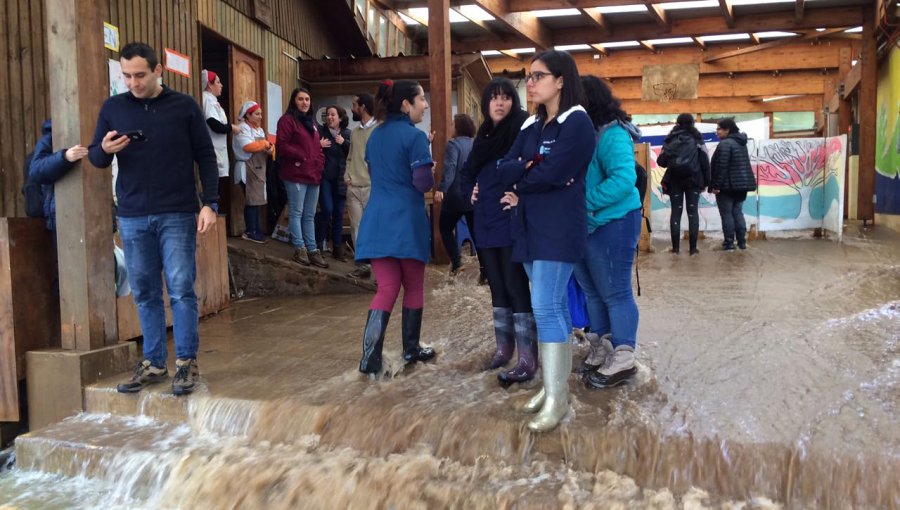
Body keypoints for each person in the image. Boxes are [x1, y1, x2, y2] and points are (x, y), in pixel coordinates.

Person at [88, 42, 219, 396]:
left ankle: (187, 364)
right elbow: (95, 158)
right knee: (144, 291)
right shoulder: (114, 108)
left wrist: (210, 203)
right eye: (127, 76)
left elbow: (206, 157)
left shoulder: (184, 107)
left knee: (180, 288)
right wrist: (104, 150)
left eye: (140, 75)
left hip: (177, 211)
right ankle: (154, 362)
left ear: (158, 70)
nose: (133, 82)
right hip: (131, 215)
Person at [497, 50, 595, 432]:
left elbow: (557, 173)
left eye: (538, 76)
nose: (531, 83)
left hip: (558, 227)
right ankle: (552, 388)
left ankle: (557, 399)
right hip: (527, 226)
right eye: (529, 76)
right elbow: (504, 168)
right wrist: (527, 172)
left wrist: (524, 175)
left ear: (561, 81)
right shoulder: (530, 126)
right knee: (550, 307)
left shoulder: (577, 123)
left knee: (546, 307)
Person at [356, 80, 435, 375]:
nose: (424, 105)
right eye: (421, 100)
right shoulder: (415, 138)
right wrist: (431, 169)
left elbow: (375, 173)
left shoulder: (375, 136)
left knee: (386, 287)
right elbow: (421, 183)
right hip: (406, 221)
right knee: (413, 285)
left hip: (376, 219)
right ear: (406, 104)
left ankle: (369, 358)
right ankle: (411, 350)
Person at [459, 77, 534, 385]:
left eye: (505, 98)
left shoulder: (524, 128)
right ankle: (504, 349)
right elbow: (466, 173)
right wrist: (470, 194)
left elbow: (538, 168)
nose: (500, 103)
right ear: (487, 104)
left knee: (516, 285)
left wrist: (521, 195)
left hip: (512, 220)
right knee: (495, 286)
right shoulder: (483, 136)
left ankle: (528, 357)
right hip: (485, 220)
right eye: (494, 98)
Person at [575, 75, 644, 389]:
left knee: (615, 291)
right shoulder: (581, 133)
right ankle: (603, 347)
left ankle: (624, 356)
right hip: (585, 223)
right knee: (593, 290)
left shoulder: (612, 134)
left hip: (613, 221)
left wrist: (585, 204)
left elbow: (623, 180)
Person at [277, 88, 327, 268]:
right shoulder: (287, 120)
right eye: (300, 99)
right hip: (296, 173)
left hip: (313, 175)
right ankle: (300, 248)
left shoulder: (312, 122)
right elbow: (282, 145)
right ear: (294, 101)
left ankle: (312, 250)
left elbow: (317, 148)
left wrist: (318, 163)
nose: (305, 102)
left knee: (310, 214)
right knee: (296, 213)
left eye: (307, 99)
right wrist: (302, 157)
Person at [657, 113, 710, 255]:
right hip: (693, 180)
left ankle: (675, 250)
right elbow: (705, 161)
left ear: (677, 123)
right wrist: (706, 182)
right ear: (693, 123)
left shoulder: (670, 139)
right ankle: (693, 249)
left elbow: (660, 162)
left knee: (676, 212)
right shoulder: (698, 139)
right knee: (692, 213)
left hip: (675, 180)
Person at [28, 119, 89, 232]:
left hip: (95, 210)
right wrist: (64, 157)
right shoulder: (50, 137)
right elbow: (36, 170)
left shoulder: (95, 128)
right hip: (62, 214)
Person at [435, 113, 476, 275]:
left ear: (458, 127)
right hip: (472, 196)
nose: (451, 126)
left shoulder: (453, 144)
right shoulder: (475, 144)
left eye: (453, 124)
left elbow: (450, 168)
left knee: (444, 228)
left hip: (455, 197)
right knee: (477, 234)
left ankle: (457, 262)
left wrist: (442, 188)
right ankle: (486, 270)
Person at [710, 118, 756, 251]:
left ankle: (729, 244)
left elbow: (721, 167)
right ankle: (742, 243)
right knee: (737, 212)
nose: (717, 132)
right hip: (741, 186)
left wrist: (716, 185)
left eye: (719, 129)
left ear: (727, 130)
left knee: (726, 214)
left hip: (727, 186)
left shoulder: (725, 144)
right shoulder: (741, 143)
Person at [346, 93, 377, 279]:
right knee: (356, 228)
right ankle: (363, 267)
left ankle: (380, 269)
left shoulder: (379, 130)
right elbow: (350, 157)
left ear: (363, 107)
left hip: (372, 187)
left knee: (373, 228)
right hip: (353, 187)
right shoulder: (355, 132)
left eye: (354, 105)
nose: (352, 108)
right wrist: (346, 176)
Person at [233, 101, 272, 243]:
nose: (260, 117)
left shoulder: (259, 130)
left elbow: (267, 147)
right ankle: (251, 231)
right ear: (247, 115)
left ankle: (256, 229)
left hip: (258, 168)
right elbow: (248, 147)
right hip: (247, 168)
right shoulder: (242, 128)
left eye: (260, 114)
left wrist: (269, 149)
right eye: (257, 114)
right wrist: (264, 144)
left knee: (256, 201)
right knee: (251, 201)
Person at [316, 105, 351, 261]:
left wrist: (344, 143)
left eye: (333, 115)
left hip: (342, 180)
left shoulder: (348, 134)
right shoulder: (320, 133)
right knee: (327, 209)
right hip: (325, 179)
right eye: (327, 115)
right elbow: (310, 150)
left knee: (338, 213)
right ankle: (319, 245)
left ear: (340, 118)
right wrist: (319, 145)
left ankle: (337, 248)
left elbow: (355, 153)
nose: (329, 117)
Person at [201, 69, 239, 178]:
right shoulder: (207, 99)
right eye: (218, 82)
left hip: (217, 150)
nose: (221, 85)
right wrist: (232, 127)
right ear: (209, 84)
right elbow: (214, 125)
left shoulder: (213, 101)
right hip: (212, 150)